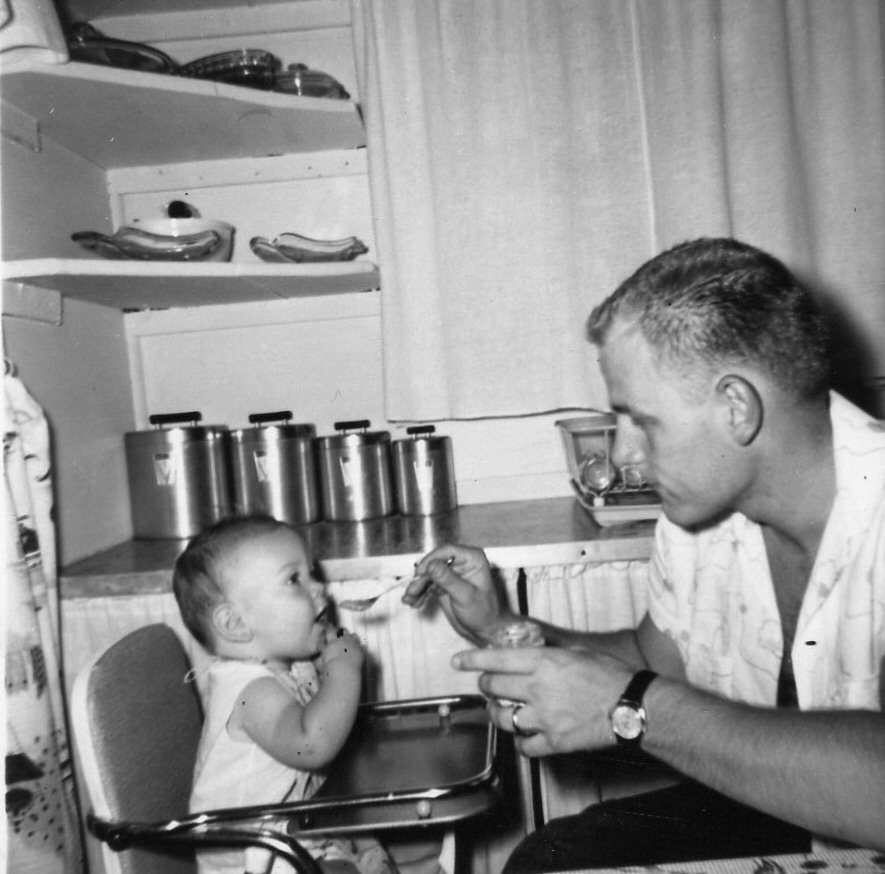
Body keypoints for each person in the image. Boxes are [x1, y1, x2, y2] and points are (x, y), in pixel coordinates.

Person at [403, 237, 885, 870]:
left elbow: (641, 695)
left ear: (735, 407)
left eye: (641, 420)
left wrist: (632, 709)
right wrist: (507, 629)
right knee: (553, 860)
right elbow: (658, 663)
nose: (624, 454)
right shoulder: (700, 515)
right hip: (792, 821)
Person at [173, 515, 396, 874]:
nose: (320, 588)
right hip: (253, 859)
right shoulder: (249, 692)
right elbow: (312, 745)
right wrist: (343, 669)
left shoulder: (289, 668)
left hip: (290, 837)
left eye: (312, 573)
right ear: (236, 624)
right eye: (294, 580)